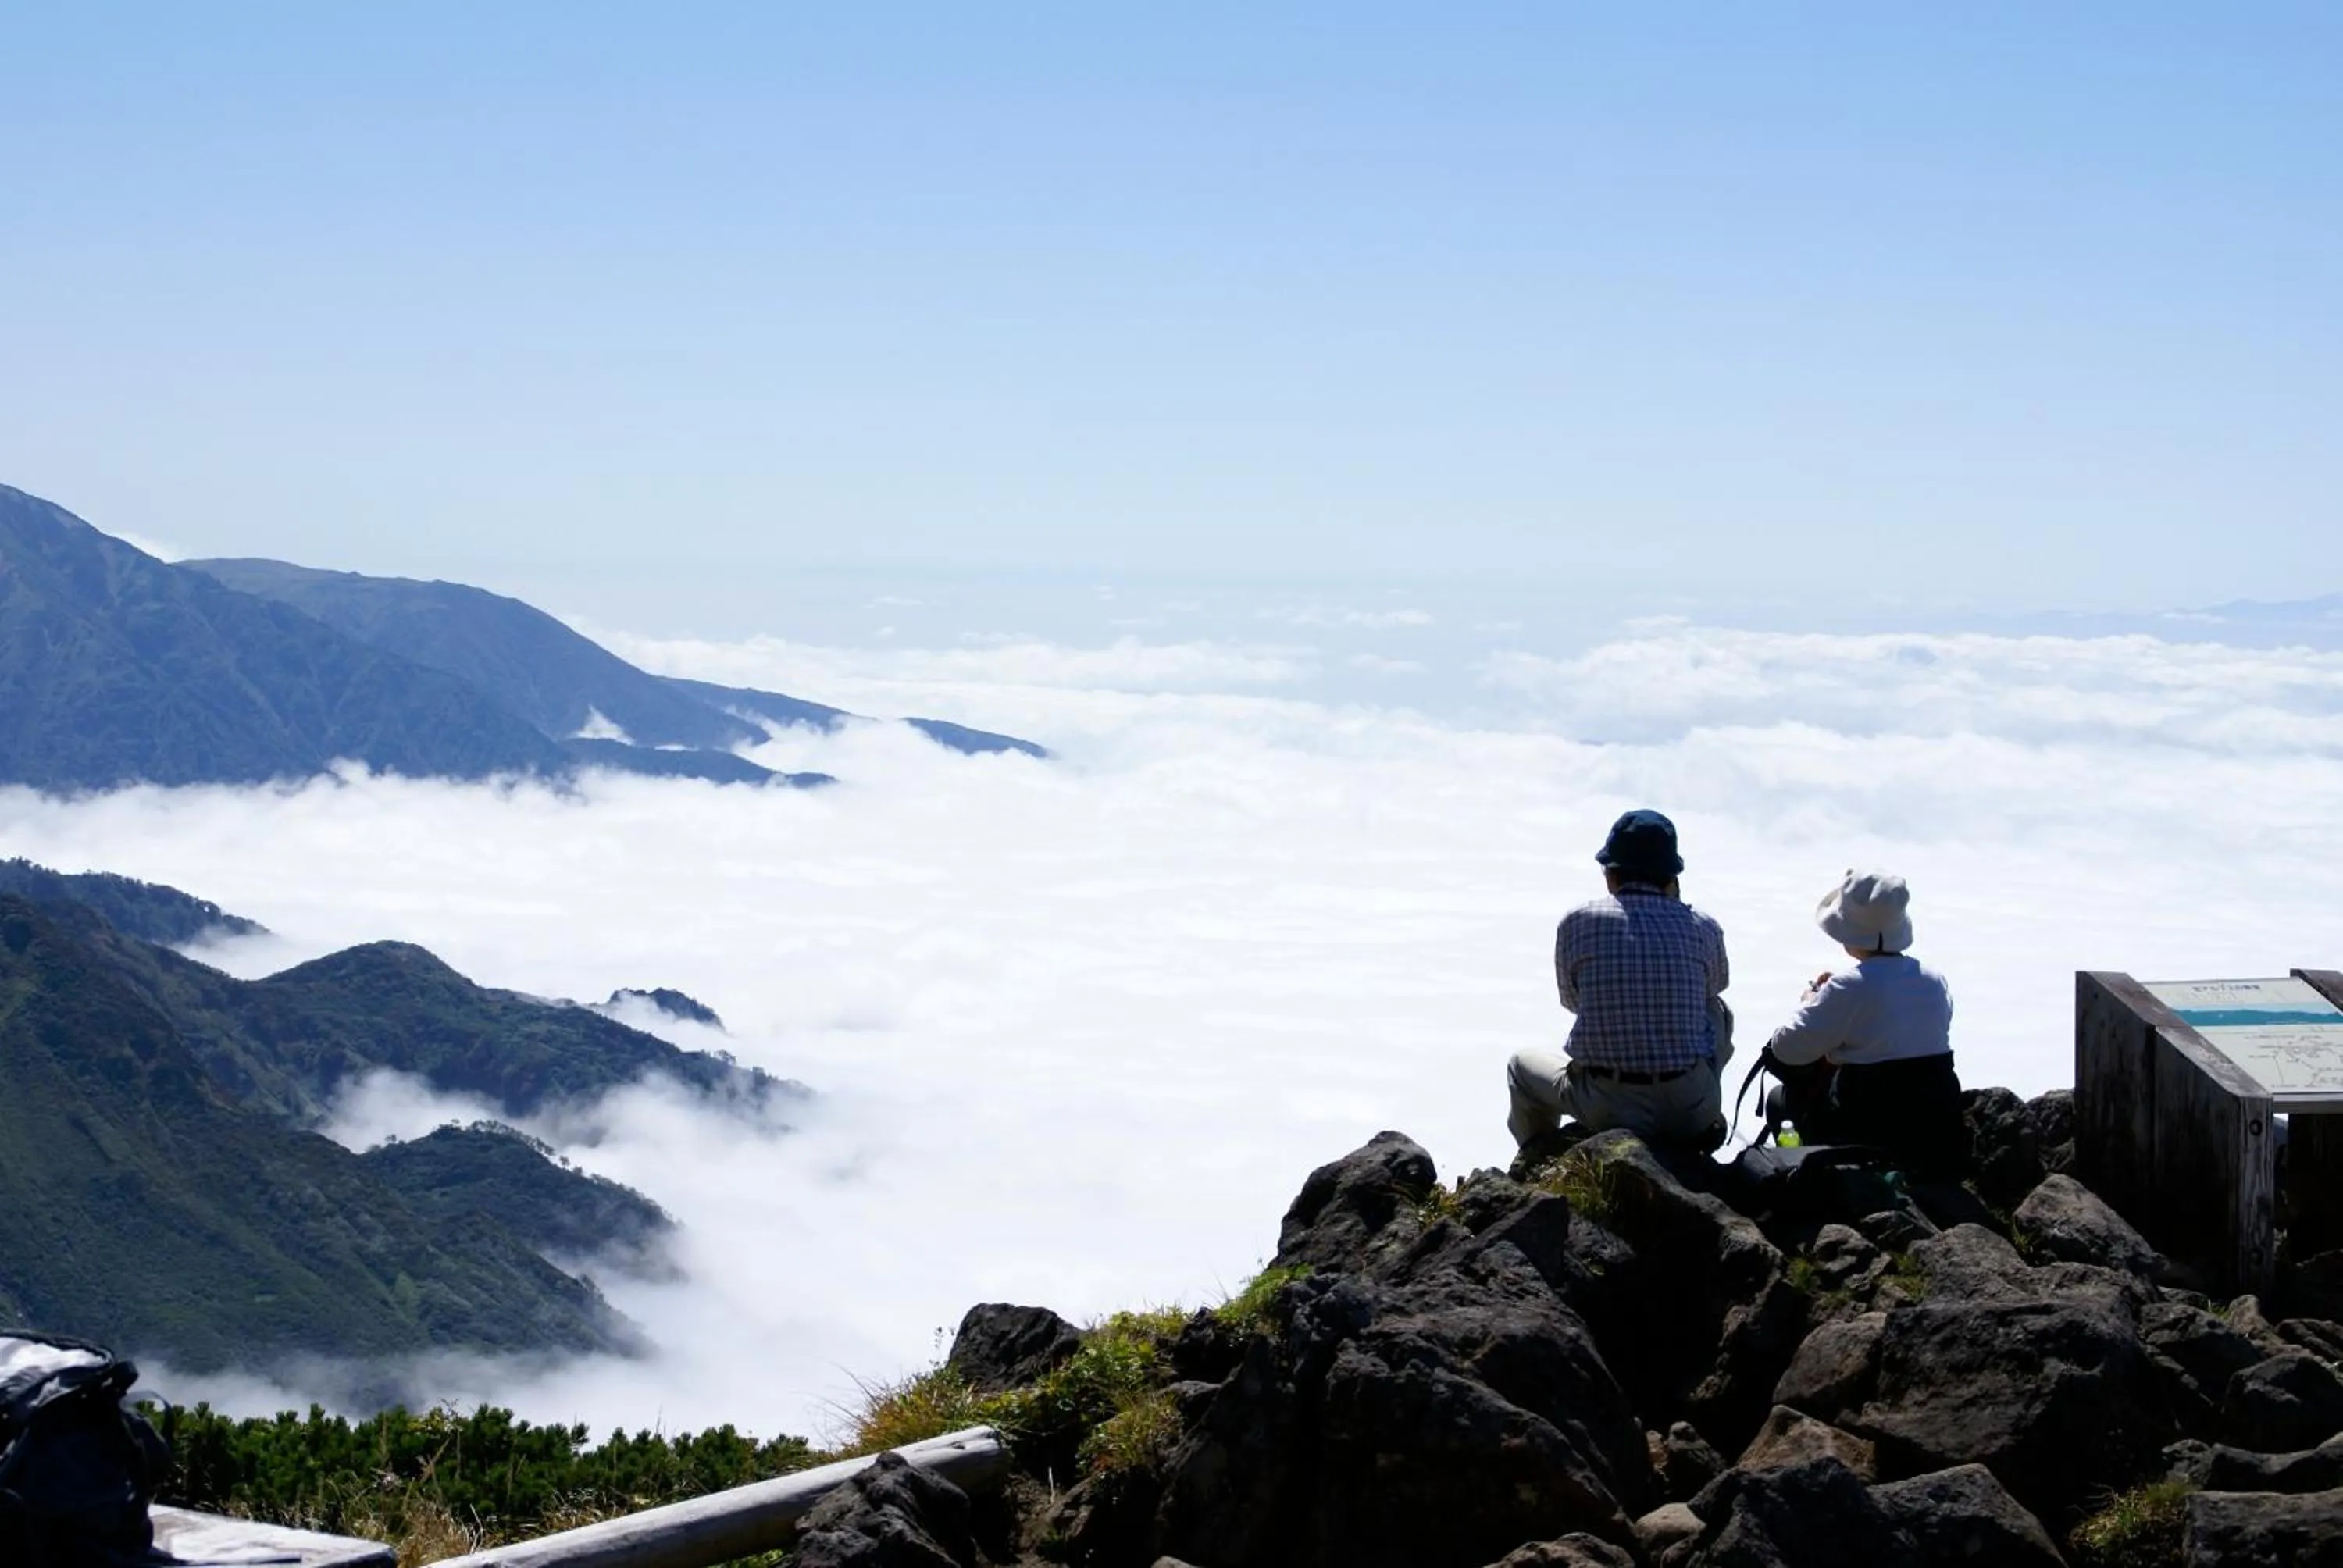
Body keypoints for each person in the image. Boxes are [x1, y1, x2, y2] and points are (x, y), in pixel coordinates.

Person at [1507, 808, 1733, 1152]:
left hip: (1607, 1106)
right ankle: (1703, 1113)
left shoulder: (1577, 921)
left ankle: (1540, 1161)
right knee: (1716, 1008)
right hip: (1690, 1107)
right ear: (1671, 877)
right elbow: (1712, 993)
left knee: (1521, 1067)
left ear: (1611, 873)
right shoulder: (1704, 926)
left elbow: (1573, 1002)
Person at [1763, 870, 1967, 1178]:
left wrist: (1811, 1001)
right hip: (1934, 1130)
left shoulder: (1847, 987)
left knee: (1780, 1100)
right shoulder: (1933, 980)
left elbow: (1787, 1051)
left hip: (1868, 1133)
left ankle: (1813, 1194)